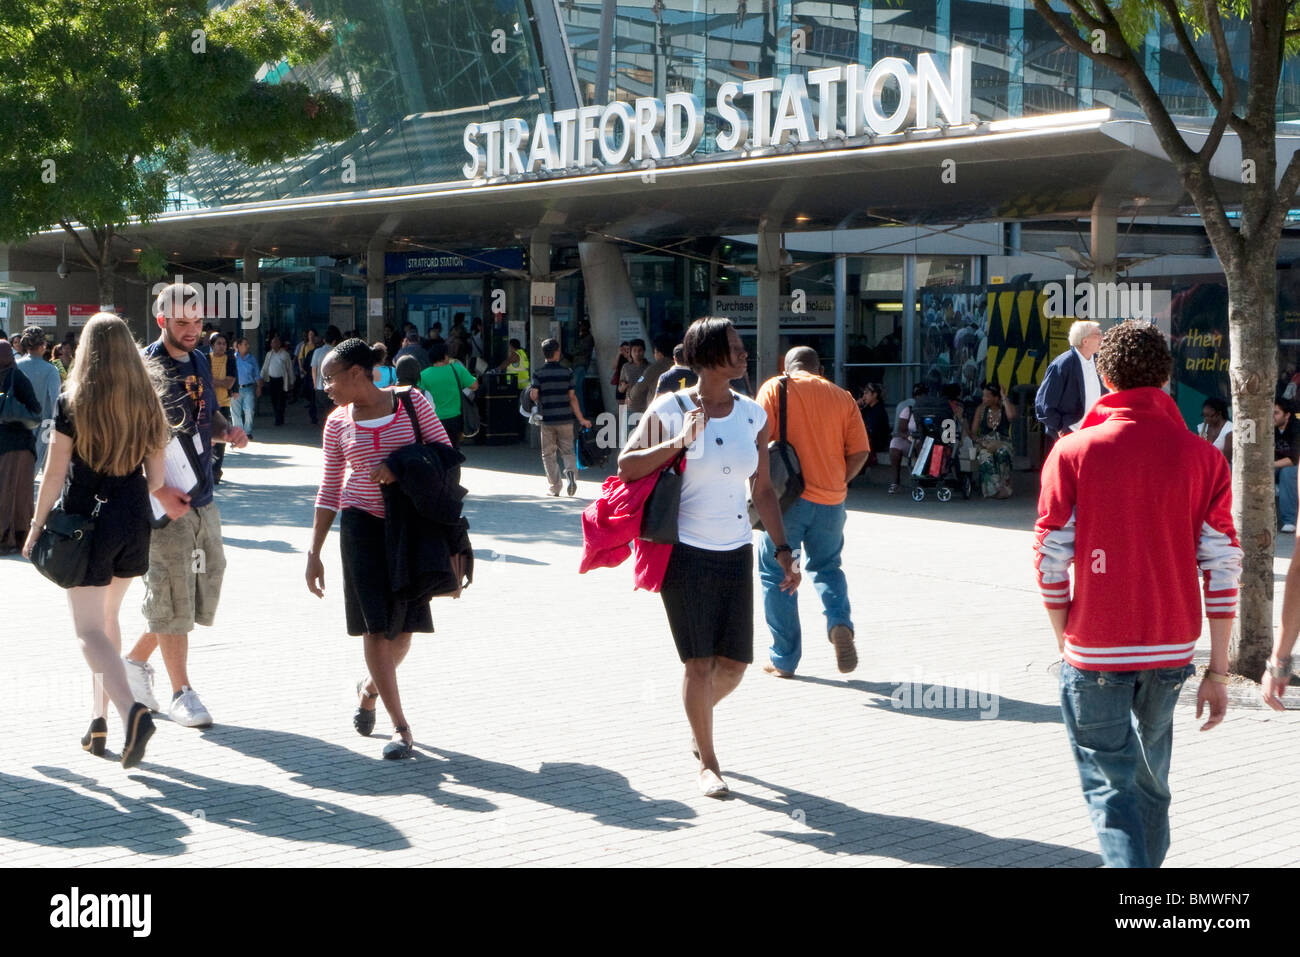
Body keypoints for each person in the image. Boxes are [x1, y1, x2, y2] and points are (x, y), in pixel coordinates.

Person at [1034, 319, 1240, 868]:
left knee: (1110, 789)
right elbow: (1222, 568)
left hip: (1094, 646)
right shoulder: (1204, 457)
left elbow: (1051, 561)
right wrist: (1218, 670)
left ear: (1103, 375)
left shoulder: (1073, 452)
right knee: (1151, 785)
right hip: (1171, 649)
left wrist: (1065, 642)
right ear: (1167, 377)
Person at [618, 317, 800, 798]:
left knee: (734, 665)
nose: (744, 356)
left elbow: (762, 490)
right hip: (684, 551)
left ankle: (698, 721)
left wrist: (782, 550)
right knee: (698, 664)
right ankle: (709, 761)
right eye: (736, 349)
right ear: (709, 356)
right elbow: (627, 465)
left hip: (736, 548)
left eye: (743, 349)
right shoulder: (669, 407)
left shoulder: (752, 415)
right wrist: (679, 440)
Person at [22, 313, 170, 768]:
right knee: (107, 620)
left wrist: (34, 526)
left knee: (87, 631)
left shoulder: (74, 400)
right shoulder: (149, 401)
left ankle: (131, 712)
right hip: (132, 519)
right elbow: (158, 478)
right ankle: (97, 719)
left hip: (85, 522)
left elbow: (54, 472)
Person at [306, 339, 451, 760]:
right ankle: (401, 728)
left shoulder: (412, 403)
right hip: (360, 528)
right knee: (375, 628)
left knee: (402, 630)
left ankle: (369, 689)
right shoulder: (336, 423)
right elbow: (330, 488)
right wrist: (313, 552)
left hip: (409, 528)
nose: (325, 386)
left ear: (357, 374)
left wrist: (400, 465)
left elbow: (444, 453)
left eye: (330, 377)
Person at [121, 282, 249, 730]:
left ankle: (133, 664)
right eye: (182, 322)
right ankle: (181, 692)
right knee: (172, 590)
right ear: (162, 320)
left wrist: (226, 431)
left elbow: (204, 418)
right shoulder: (142, 369)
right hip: (163, 502)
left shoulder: (199, 360)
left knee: (203, 582)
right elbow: (128, 439)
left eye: (198, 321)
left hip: (203, 494)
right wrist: (156, 491)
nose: (193, 329)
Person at [755, 348, 869, 678]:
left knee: (779, 573)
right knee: (826, 566)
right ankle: (839, 623)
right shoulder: (842, 397)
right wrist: (837, 479)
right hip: (831, 505)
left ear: (786, 366)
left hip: (787, 505)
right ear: (820, 368)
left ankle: (784, 659)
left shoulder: (776, 388)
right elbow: (861, 452)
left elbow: (758, 443)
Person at [527, 338, 592, 497]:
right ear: (558, 353)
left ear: (544, 354)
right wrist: (582, 419)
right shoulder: (567, 373)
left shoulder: (538, 373)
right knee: (567, 451)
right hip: (566, 419)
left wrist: (532, 395)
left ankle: (555, 487)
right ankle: (571, 474)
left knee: (548, 454)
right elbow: (573, 398)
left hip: (547, 420)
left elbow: (534, 394)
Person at [0, 340, 41, 553]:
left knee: (8, 492)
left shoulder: (16, 378)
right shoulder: (18, 377)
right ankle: (16, 536)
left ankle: (8, 538)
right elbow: (36, 410)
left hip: (14, 447)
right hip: (18, 445)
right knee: (17, 492)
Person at [1034, 319, 1105, 439]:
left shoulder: (1100, 362)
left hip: (1095, 432)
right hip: (1070, 434)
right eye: (1097, 335)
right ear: (1085, 341)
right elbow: (1044, 405)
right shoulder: (1063, 364)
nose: (1102, 338)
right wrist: (1060, 427)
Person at [16, 327, 62, 474]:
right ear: (43, 345)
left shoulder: (16, 367)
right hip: (46, 424)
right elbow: (56, 400)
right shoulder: (51, 370)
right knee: (44, 466)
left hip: (19, 423)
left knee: (20, 469)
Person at [418, 341, 478, 446]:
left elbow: (417, 394)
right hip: (455, 417)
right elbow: (474, 386)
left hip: (433, 419)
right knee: (454, 447)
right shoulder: (456, 369)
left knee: (437, 449)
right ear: (445, 356)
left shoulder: (423, 375)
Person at [972, 382, 1017, 499]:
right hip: (985, 443)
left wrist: (1004, 396)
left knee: (1002, 453)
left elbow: (1012, 417)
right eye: (983, 395)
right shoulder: (981, 409)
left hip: (1003, 442)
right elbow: (973, 432)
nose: (983, 398)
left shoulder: (1005, 407)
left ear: (996, 398)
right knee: (985, 456)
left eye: (987, 396)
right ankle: (993, 489)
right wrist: (981, 442)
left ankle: (1005, 487)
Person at [208, 331, 237, 485]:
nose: (221, 346)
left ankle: (216, 470)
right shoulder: (206, 359)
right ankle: (208, 470)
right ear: (212, 345)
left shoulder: (230, 360)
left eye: (224, 343)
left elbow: (229, 383)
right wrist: (220, 381)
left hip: (223, 403)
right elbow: (203, 381)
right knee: (207, 438)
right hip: (208, 403)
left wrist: (213, 381)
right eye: (218, 343)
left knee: (221, 438)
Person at [888, 383, 928, 494]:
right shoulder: (909, 410)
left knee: (921, 445)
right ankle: (895, 483)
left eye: (923, 395)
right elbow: (901, 431)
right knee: (895, 443)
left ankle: (921, 479)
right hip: (910, 440)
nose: (920, 398)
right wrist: (911, 439)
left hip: (925, 442)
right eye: (918, 395)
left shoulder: (929, 410)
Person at [627, 336, 673, 417]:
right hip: (675, 409)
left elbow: (639, 386)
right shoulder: (676, 365)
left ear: (659, 353)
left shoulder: (654, 368)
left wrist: (630, 397)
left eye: (655, 352)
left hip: (656, 409)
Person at [260, 334, 296, 426]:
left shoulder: (285, 354)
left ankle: (280, 417)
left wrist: (292, 381)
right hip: (272, 380)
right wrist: (261, 378)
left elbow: (289, 368)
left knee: (281, 400)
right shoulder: (269, 354)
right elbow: (265, 367)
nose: (274, 344)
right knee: (273, 399)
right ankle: (277, 416)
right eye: (272, 342)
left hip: (282, 381)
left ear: (280, 344)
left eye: (276, 342)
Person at [1275, 399, 1300, 533]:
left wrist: (1270, 465)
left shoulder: (1296, 429)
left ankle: (1289, 521)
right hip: (1276, 466)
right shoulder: (1270, 429)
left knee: (1287, 472)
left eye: (1276, 413)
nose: (1272, 416)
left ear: (1287, 415)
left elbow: (1295, 459)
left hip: (1294, 466)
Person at [231, 335, 260, 441]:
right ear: (238, 346)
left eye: (248, 344)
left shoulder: (252, 359)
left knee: (249, 410)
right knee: (235, 412)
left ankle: (247, 432)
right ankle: (239, 433)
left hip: (249, 388)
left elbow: (257, 374)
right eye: (245, 344)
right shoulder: (232, 358)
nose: (248, 346)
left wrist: (259, 387)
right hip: (235, 388)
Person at [857, 383, 892, 471]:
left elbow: (873, 430)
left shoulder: (879, 410)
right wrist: (856, 406)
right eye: (863, 394)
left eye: (866, 393)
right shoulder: (867, 409)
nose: (864, 397)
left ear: (874, 395)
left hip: (877, 441)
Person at [313, 326, 342, 419]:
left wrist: (315, 384)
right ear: (334, 341)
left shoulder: (317, 351)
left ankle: (325, 430)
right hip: (334, 387)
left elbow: (314, 369)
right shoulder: (337, 352)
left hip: (320, 388)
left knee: (323, 413)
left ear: (324, 340)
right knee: (333, 412)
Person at [1197, 397, 1232, 464]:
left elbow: (1227, 460)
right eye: (1204, 416)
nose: (1206, 419)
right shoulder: (1202, 428)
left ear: (1219, 414)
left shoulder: (1230, 430)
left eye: (1209, 416)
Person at [571, 319, 596, 415]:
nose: (580, 328)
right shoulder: (582, 338)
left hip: (582, 364)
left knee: (577, 389)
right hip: (577, 365)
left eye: (582, 326)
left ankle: (581, 412)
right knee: (576, 389)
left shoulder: (588, 338)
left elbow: (577, 350)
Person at [298, 329, 320, 424]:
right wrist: (302, 370)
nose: (310, 336)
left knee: (314, 396)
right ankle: (313, 413)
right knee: (311, 395)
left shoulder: (317, 349)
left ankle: (314, 412)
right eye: (309, 334)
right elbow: (300, 358)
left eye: (312, 334)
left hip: (316, 374)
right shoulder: (304, 346)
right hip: (309, 374)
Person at [617, 339, 647, 408]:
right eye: (634, 350)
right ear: (630, 352)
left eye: (640, 350)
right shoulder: (626, 367)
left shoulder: (650, 367)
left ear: (644, 351)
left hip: (645, 405)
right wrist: (623, 387)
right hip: (630, 405)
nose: (637, 353)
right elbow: (620, 389)